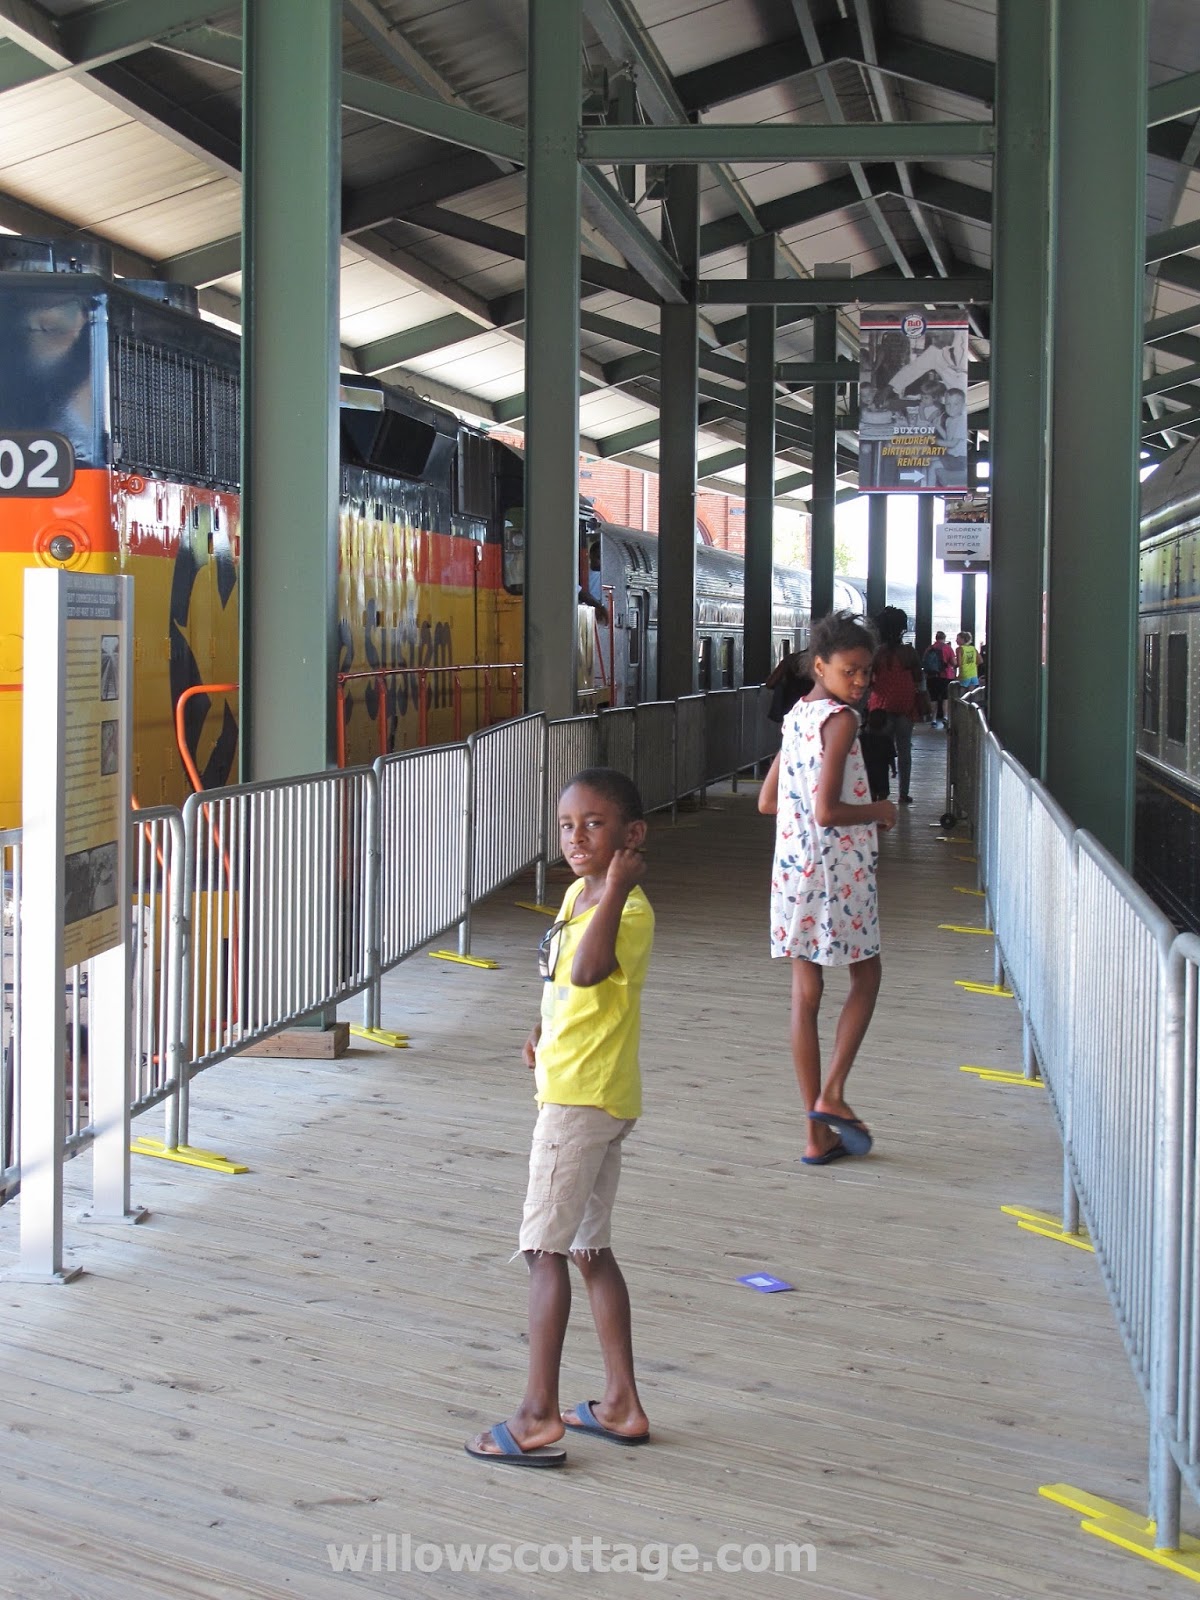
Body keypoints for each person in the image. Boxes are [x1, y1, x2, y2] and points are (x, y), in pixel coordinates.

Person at [466, 767, 654, 1467]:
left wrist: (619, 888)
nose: (577, 839)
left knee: (542, 1252)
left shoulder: (627, 910)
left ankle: (537, 1414)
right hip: (586, 1087)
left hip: (580, 1102)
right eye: (567, 826)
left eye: (595, 825)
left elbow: (590, 969)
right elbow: (564, 984)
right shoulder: (579, 892)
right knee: (588, 1250)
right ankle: (621, 1403)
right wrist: (542, 1030)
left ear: (632, 835)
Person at [758, 612, 896, 1165]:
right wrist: (880, 810)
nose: (860, 682)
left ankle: (816, 1136)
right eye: (849, 671)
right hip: (838, 871)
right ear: (820, 666)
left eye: (866, 671)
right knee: (867, 973)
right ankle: (833, 1093)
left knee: (805, 994)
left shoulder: (797, 716)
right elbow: (829, 810)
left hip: (794, 870)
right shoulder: (840, 721)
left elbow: (767, 801)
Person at [868, 605, 922, 804]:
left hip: (880, 708)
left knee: (879, 752)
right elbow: (919, 679)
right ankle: (903, 793)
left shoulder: (877, 654)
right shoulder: (909, 653)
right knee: (904, 750)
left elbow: (869, 680)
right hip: (906, 707)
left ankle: (881, 791)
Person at [765, 647, 813, 724]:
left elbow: (770, 683)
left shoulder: (790, 660)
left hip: (791, 711)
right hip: (812, 711)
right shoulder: (825, 664)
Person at [858, 707, 896, 801]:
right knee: (883, 793)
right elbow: (891, 756)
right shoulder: (887, 739)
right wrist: (894, 769)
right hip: (882, 772)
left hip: (866, 771)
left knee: (870, 792)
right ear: (885, 724)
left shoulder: (862, 738)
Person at [921, 630, 956, 728]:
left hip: (931, 677)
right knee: (945, 697)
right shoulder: (947, 648)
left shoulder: (929, 648)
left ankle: (933, 720)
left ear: (936, 638)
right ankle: (945, 717)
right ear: (944, 638)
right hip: (945, 676)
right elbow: (954, 662)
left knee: (933, 698)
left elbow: (924, 662)